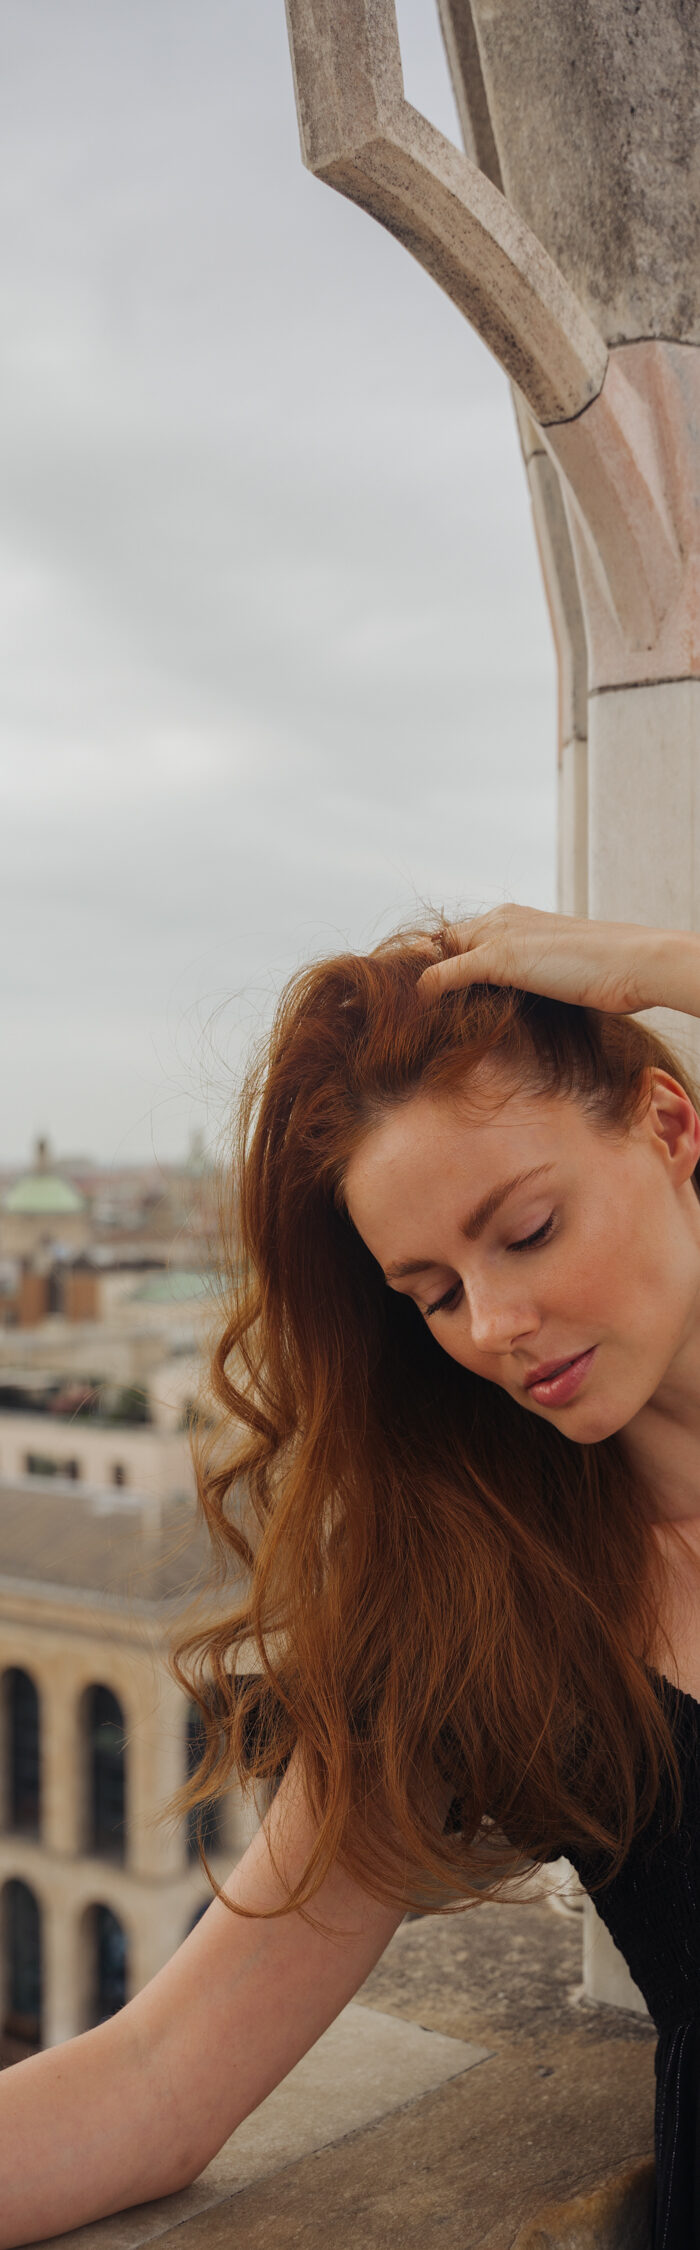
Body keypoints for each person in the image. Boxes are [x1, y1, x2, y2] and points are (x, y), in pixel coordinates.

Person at [3, 901, 700, 2250]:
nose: (495, 1325)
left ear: (672, 1127)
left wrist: (663, 968)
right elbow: (164, 2076)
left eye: (530, 1227)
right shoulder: (486, 1602)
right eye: (433, 1292)